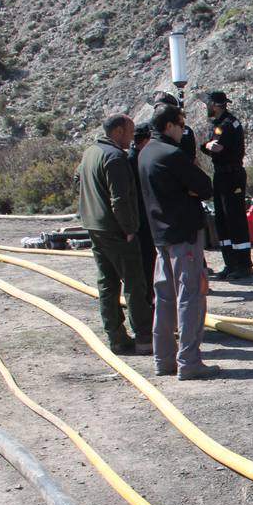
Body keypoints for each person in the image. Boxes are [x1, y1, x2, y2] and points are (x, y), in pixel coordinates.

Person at [139, 103, 221, 381]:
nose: (182, 131)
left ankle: (163, 360)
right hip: (183, 236)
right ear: (169, 126)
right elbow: (205, 187)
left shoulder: (145, 153)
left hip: (160, 236)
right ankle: (189, 360)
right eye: (181, 125)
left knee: (164, 298)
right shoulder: (172, 155)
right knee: (190, 297)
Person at [76, 113, 152, 355]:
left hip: (94, 226)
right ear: (118, 131)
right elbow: (119, 199)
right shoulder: (115, 157)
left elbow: (78, 179)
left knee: (107, 283)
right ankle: (144, 337)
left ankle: (116, 338)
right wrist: (129, 228)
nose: (131, 138)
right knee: (134, 283)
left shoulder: (90, 152)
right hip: (115, 230)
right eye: (129, 132)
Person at [200, 90, 253, 280]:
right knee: (222, 220)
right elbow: (210, 146)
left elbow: (217, 148)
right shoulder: (218, 124)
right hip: (221, 174)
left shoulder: (228, 125)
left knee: (235, 218)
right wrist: (206, 146)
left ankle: (243, 265)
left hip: (232, 174)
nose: (206, 107)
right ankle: (230, 263)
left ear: (215, 105)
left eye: (208, 104)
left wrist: (206, 147)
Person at [128, 121, 155, 309]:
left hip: (143, 220)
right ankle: (150, 308)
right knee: (148, 266)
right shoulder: (135, 160)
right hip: (143, 222)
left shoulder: (134, 158)